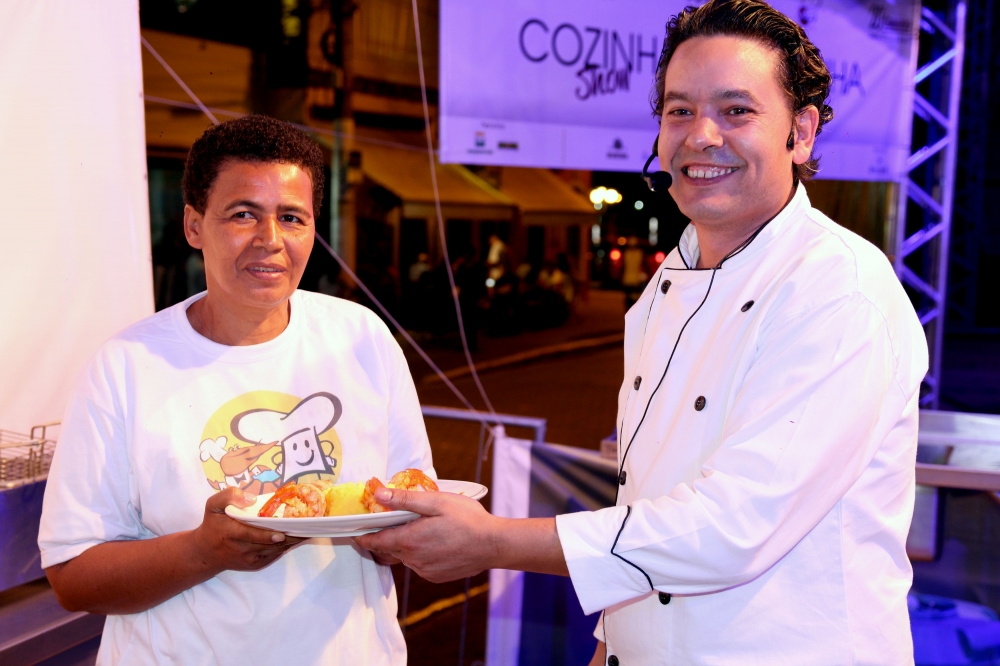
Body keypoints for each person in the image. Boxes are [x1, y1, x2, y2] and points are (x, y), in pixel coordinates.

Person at [356, 1, 927, 664]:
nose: (701, 136)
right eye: (679, 110)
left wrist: (494, 541)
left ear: (800, 132)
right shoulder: (666, 285)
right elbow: (648, 497)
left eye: (736, 110)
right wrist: (610, 645)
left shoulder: (840, 290)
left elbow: (734, 524)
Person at [39, 115, 433, 665]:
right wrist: (204, 551)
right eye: (243, 214)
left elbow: (414, 509)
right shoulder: (127, 365)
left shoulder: (362, 338)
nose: (270, 240)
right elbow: (73, 576)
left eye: (291, 217)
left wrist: (401, 531)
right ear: (193, 226)